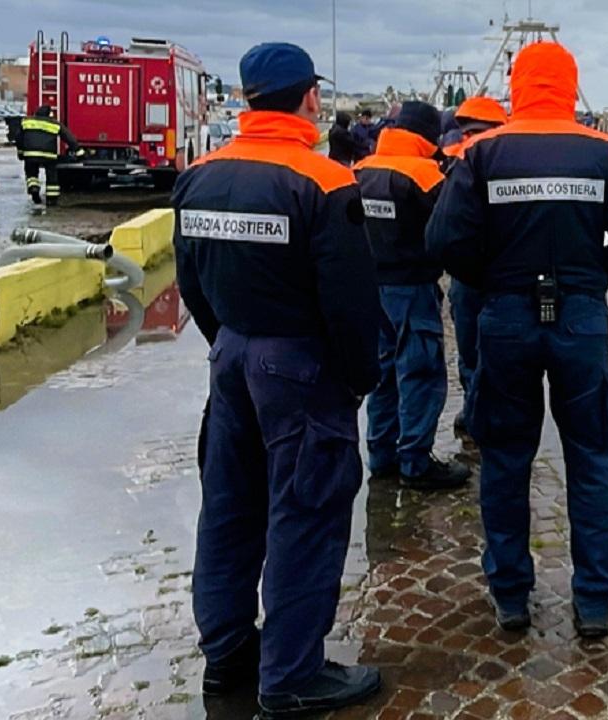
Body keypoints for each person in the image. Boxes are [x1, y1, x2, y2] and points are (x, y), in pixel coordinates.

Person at [173, 42, 382, 717]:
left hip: (230, 356)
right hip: (298, 366)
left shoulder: (198, 175)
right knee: (307, 511)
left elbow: (190, 283)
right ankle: (292, 674)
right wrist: (355, 382)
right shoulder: (323, 182)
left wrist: (228, 343)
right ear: (309, 98)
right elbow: (350, 303)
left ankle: (229, 652)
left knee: (230, 507)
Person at [425, 42, 608, 637]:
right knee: (592, 456)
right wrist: (588, 279)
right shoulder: (606, 153)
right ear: (570, 85)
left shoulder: (482, 152)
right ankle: (594, 603)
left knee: (504, 459)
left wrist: (494, 280)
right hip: (579, 321)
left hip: (505, 320)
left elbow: (444, 240)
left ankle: (510, 595)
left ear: (518, 85)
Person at [354, 102, 471, 490]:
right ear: (428, 135)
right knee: (419, 371)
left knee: (382, 374)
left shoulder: (361, 169)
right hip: (413, 289)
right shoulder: (426, 175)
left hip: (370, 290)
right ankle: (417, 461)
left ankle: (381, 455)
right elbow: (453, 229)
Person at [438, 97, 509, 436]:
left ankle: (474, 410)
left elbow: (440, 235)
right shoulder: (508, 163)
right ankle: (492, 415)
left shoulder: (452, 162)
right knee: (497, 353)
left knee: (470, 350)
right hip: (500, 278)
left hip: (466, 278)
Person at [14, 106, 83, 206]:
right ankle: (52, 200)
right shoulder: (54, 124)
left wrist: (20, 152)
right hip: (49, 156)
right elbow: (69, 138)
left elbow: (18, 138)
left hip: (30, 154)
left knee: (31, 174)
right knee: (51, 177)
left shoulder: (26, 122)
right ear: (49, 114)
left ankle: (34, 188)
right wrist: (79, 152)